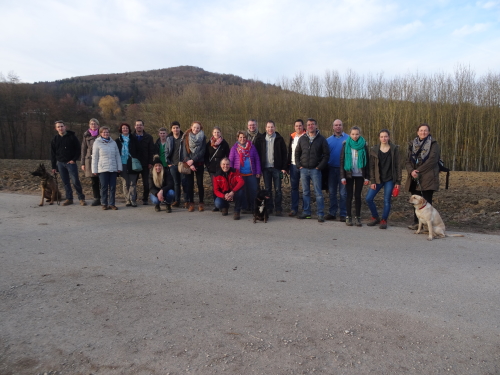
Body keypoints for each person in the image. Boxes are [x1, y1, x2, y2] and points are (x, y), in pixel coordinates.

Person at [405, 123, 441, 230]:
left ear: (429, 132)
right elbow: (407, 160)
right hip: (414, 177)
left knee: (426, 202)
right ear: (417, 132)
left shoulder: (434, 144)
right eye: (421, 130)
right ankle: (417, 222)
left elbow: (432, 160)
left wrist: (418, 170)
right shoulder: (412, 144)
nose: (423, 132)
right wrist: (412, 171)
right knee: (415, 201)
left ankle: (428, 225)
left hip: (428, 177)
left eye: (425, 130)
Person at [295, 118, 330, 222]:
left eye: (312, 124)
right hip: (304, 169)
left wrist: (320, 166)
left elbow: (326, 155)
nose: (310, 126)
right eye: (309, 124)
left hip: (316, 170)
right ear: (307, 126)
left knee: (318, 193)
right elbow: (297, 153)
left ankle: (320, 214)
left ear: (316, 126)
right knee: (305, 192)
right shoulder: (302, 138)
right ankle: (306, 212)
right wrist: (298, 165)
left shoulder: (321, 139)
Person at [365, 129, 402, 229]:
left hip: (390, 179)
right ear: (379, 138)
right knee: (368, 198)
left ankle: (384, 220)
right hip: (377, 179)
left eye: (385, 136)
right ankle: (375, 217)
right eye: (381, 136)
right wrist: (372, 180)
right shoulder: (374, 149)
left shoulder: (394, 149)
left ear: (389, 137)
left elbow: (398, 166)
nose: (384, 138)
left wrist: (398, 181)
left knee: (387, 200)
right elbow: (371, 167)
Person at [255, 120, 287, 216]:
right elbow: (257, 155)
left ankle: (278, 208)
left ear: (275, 128)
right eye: (268, 127)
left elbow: (285, 154)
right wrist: (259, 168)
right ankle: (269, 207)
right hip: (265, 169)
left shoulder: (279, 139)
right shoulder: (260, 139)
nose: (270, 129)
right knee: (268, 190)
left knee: (278, 190)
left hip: (277, 168)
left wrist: (284, 167)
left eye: (272, 127)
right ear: (265, 128)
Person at [50, 120, 86, 206]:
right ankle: (69, 198)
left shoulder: (72, 137)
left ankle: (81, 198)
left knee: (75, 181)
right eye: (58, 127)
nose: (60, 128)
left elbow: (78, 149)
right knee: (65, 182)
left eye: (62, 126)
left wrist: (74, 159)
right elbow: (53, 154)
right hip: (60, 163)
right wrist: (53, 166)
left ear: (65, 127)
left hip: (71, 163)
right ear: (56, 129)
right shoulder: (55, 139)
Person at [340, 126, 370, 227]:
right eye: (353, 134)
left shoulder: (364, 145)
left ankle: (358, 217)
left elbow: (367, 162)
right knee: (349, 196)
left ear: (360, 134)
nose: (355, 136)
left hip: (360, 175)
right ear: (350, 134)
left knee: (357, 196)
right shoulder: (346, 144)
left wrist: (367, 177)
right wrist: (343, 177)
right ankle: (348, 216)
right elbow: (342, 161)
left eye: (357, 134)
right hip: (349, 174)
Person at [229, 131, 261, 213]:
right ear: (238, 138)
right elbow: (231, 161)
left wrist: (258, 171)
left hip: (251, 173)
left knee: (253, 191)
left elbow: (257, 159)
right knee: (242, 192)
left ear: (246, 138)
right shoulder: (234, 148)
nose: (242, 139)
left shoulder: (252, 147)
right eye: (240, 137)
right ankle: (244, 207)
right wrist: (232, 173)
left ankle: (253, 207)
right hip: (239, 174)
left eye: (244, 137)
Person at [91, 127, 122, 210]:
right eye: (104, 132)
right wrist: (94, 170)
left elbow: (117, 156)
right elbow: (95, 157)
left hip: (113, 168)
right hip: (102, 168)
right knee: (104, 187)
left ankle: (112, 203)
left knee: (112, 187)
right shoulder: (97, 142)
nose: (106, 134)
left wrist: (119, 167)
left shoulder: (113, 143)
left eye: (107, 132)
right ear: (100, 133)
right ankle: (104, 203)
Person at [180, 121, 206, 212]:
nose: (196, 129)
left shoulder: (203, 137)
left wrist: (193, 160)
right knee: (189, 184)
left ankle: (201, 203)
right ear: (191, 127)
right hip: (189, 165)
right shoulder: (186, 137)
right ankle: (191, 203)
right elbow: (184, 152)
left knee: (200, 184)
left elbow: (202, 151)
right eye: (194, 127)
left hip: (199, 163)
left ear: (200, 129)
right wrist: (189, 163)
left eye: (198, 128)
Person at [326, 119, 349, 221]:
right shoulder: (328, 140)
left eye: (340, 125)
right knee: (332, 192)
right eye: (336, 125)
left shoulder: (349, 139)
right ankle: (332, 212)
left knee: (343, 193)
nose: (338, 127)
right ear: (333, 127)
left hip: (343, 170)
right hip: (331, 169)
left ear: (342, 126)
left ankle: (343, 213)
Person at [205, 126, 230, 211]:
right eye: (215, 132)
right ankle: (216, 204)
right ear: (212, 133)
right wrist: (208, 165)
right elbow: (206, 156)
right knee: (215, 187)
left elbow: (228, 155)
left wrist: (226, 166)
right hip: (212, 168)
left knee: (223, 186)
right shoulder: (209, 144)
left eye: (218, 132)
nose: (216, 134)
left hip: (222, 168)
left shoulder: (224, 143)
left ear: (220, 133)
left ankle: (223, 203)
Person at [115, 123, 140, 207]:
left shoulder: (134, 139)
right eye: (123, 128)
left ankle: (133, 200)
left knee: (133, 183)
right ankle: (127, 200)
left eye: (126, 128)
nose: (125, 129)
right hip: (122, 163)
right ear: (121, 130)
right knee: (125, 183)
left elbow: (138, 151)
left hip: (132, 163)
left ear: (129, 129)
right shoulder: (117, 141)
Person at [287, 119, 306, 217]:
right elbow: (289, 151)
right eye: (296, 126)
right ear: (294, 127)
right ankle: (294, 209)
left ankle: (305, 209)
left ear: (303, 126)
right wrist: (287, 165)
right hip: (293, 166)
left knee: (305, 189)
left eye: (300, 126)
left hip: (304, 166)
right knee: (294, 188)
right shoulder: (292, 136)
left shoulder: (307, 136)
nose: (298, 127)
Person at [133, 119, 154, 205]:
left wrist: (150, 162)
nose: (139, 126)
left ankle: (145, 198)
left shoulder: (148, 137)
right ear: (135, 126)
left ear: (143, 126)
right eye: (137, 125)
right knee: (133, 183)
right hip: (134, 163)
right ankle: (134, 198)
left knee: (146, 183)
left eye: (140, 125)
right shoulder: (131, 137)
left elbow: (151, 151)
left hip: (145, 164)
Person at [81, 118, 101, 206]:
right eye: (92, 124)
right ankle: (96, 198)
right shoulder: (86, 136)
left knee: (102, 180)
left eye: (95, 124)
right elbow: (83, 149)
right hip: (90, 160)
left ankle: (103, 197)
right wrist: (82, 163)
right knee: (94, 180)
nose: (93, 125)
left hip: (101, 160)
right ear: (89, 125)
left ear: (98, 125)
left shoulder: (102, 134)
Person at [165, 121, 184, 207]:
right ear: (171, 129)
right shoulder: (169, 139)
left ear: (179, 128)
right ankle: (176, 200)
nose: (175, 129)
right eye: (174, 128)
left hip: (182, 165)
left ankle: (187, 200)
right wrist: (169, 163)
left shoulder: (184, 138)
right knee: (176, 183)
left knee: (184, 183)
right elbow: (166, 151)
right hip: (173, 165)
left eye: (177, 127)